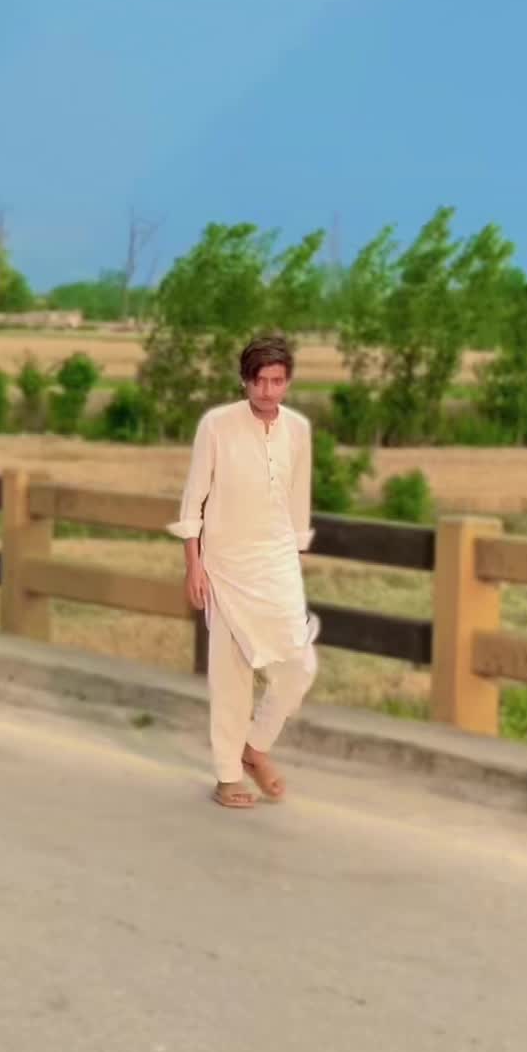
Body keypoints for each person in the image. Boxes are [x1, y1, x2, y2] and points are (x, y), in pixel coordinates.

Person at [168, 334, 318, 811]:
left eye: (277, 381)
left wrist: (294, 566)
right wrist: (193, 564)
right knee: (230, 674)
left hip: (277, 561)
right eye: (259, 381)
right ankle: (228, 775)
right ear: (244, 381)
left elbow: (298, 501)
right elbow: (194, 499)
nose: (267, 391)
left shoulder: (298, 430)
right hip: (225, 564)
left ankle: (256, 747)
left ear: (287, 382)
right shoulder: (217, 425)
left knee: (299, 666)